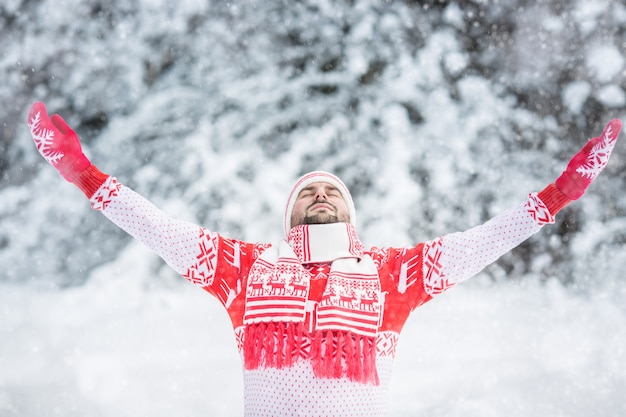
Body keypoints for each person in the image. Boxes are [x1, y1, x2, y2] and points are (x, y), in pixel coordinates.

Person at [26, 101, 621, 417]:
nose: (320, 194)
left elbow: (484, 241)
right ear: (289, 218)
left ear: (349, 216)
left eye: (332, 191)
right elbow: (158, 227)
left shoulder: (393, 275)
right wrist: (84, 174)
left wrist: (557, 195)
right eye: (307, 191)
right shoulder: (246, 269)